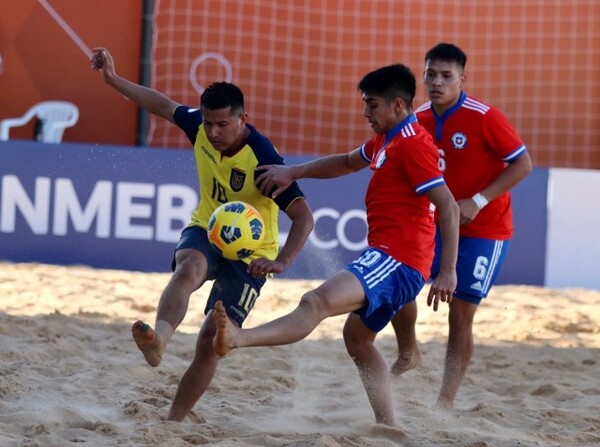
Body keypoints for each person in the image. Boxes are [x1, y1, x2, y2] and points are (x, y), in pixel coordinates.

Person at [212, 63, 460, 427]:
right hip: (392, 257)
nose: (365, 113)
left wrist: (449, 271)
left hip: (398, 260)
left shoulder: (412, 145)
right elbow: (345, 162)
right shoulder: (387, 139)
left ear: (397, 106)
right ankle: (388, 425)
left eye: (371, 105)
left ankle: (237, 339)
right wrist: (292, 172)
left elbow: (449, 206)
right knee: (357, 339)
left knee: (316, 301)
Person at [90, 47, 314, 421]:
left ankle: (174, 421)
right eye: (208, 123)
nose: (212, 132)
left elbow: (304, 217)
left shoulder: (263, 160)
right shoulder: (199, 126)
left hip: (250, 255)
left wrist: (282, 261)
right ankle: (159, 338)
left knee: (211, 342)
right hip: (208, 228)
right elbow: (162, 105)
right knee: (187, 270)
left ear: (244, 119)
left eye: (222, 125)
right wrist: (113, 79)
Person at [390, 43, 533, 409]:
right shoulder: (417, 118)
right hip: (436, 226)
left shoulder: (484, 116)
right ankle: (409, 353)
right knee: (400, 287)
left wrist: (479, 200)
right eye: (430, 74)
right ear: (422, 76)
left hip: (486, 229)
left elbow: (523, 164)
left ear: (462, 80)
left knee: (460, 313)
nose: (436, 82)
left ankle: (445, 402)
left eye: (446, 76)